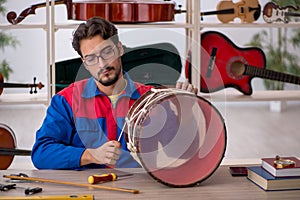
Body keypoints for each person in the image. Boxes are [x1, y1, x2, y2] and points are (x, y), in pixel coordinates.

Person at [31, 17, 197, 170]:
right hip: (84, 191)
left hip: (139, 191)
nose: (102, 64)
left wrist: (187, 113)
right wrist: (89, 155)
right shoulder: (65, 100)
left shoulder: (151, 99)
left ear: (119, 49)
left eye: (107, 52)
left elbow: (180, 153)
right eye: (91, 59)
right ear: (85, 63)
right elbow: (41, 153)